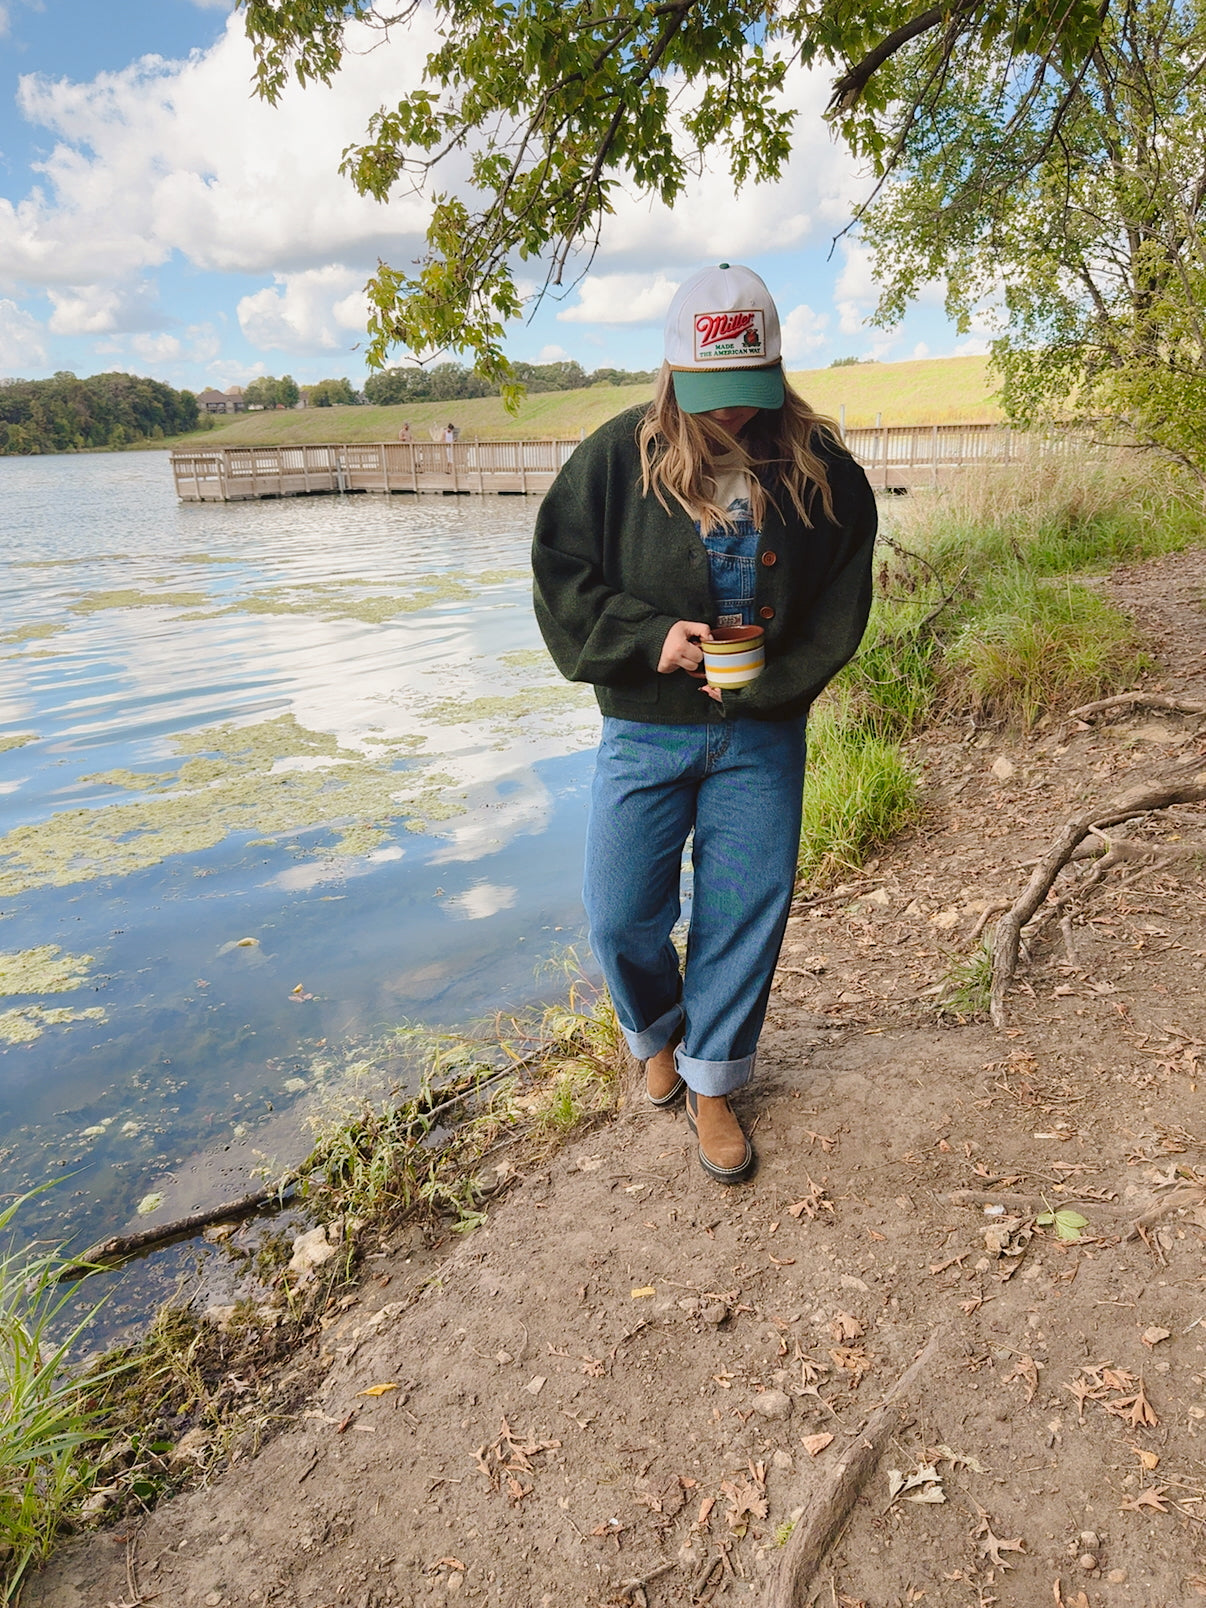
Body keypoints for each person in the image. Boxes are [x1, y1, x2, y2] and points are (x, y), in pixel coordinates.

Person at [532, 263, 877, 1184]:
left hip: (763, 735)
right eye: (714, 397)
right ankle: (653, 1033)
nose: (732, 416)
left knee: (742, 911)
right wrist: (653, 639)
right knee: (619, 914)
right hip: (646, 729)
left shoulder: (820, 466)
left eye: (748, 394)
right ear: (674, 371)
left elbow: (845, 598)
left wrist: (779, 685)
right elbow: (560, 575)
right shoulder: (614, 460)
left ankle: (713, 1079)